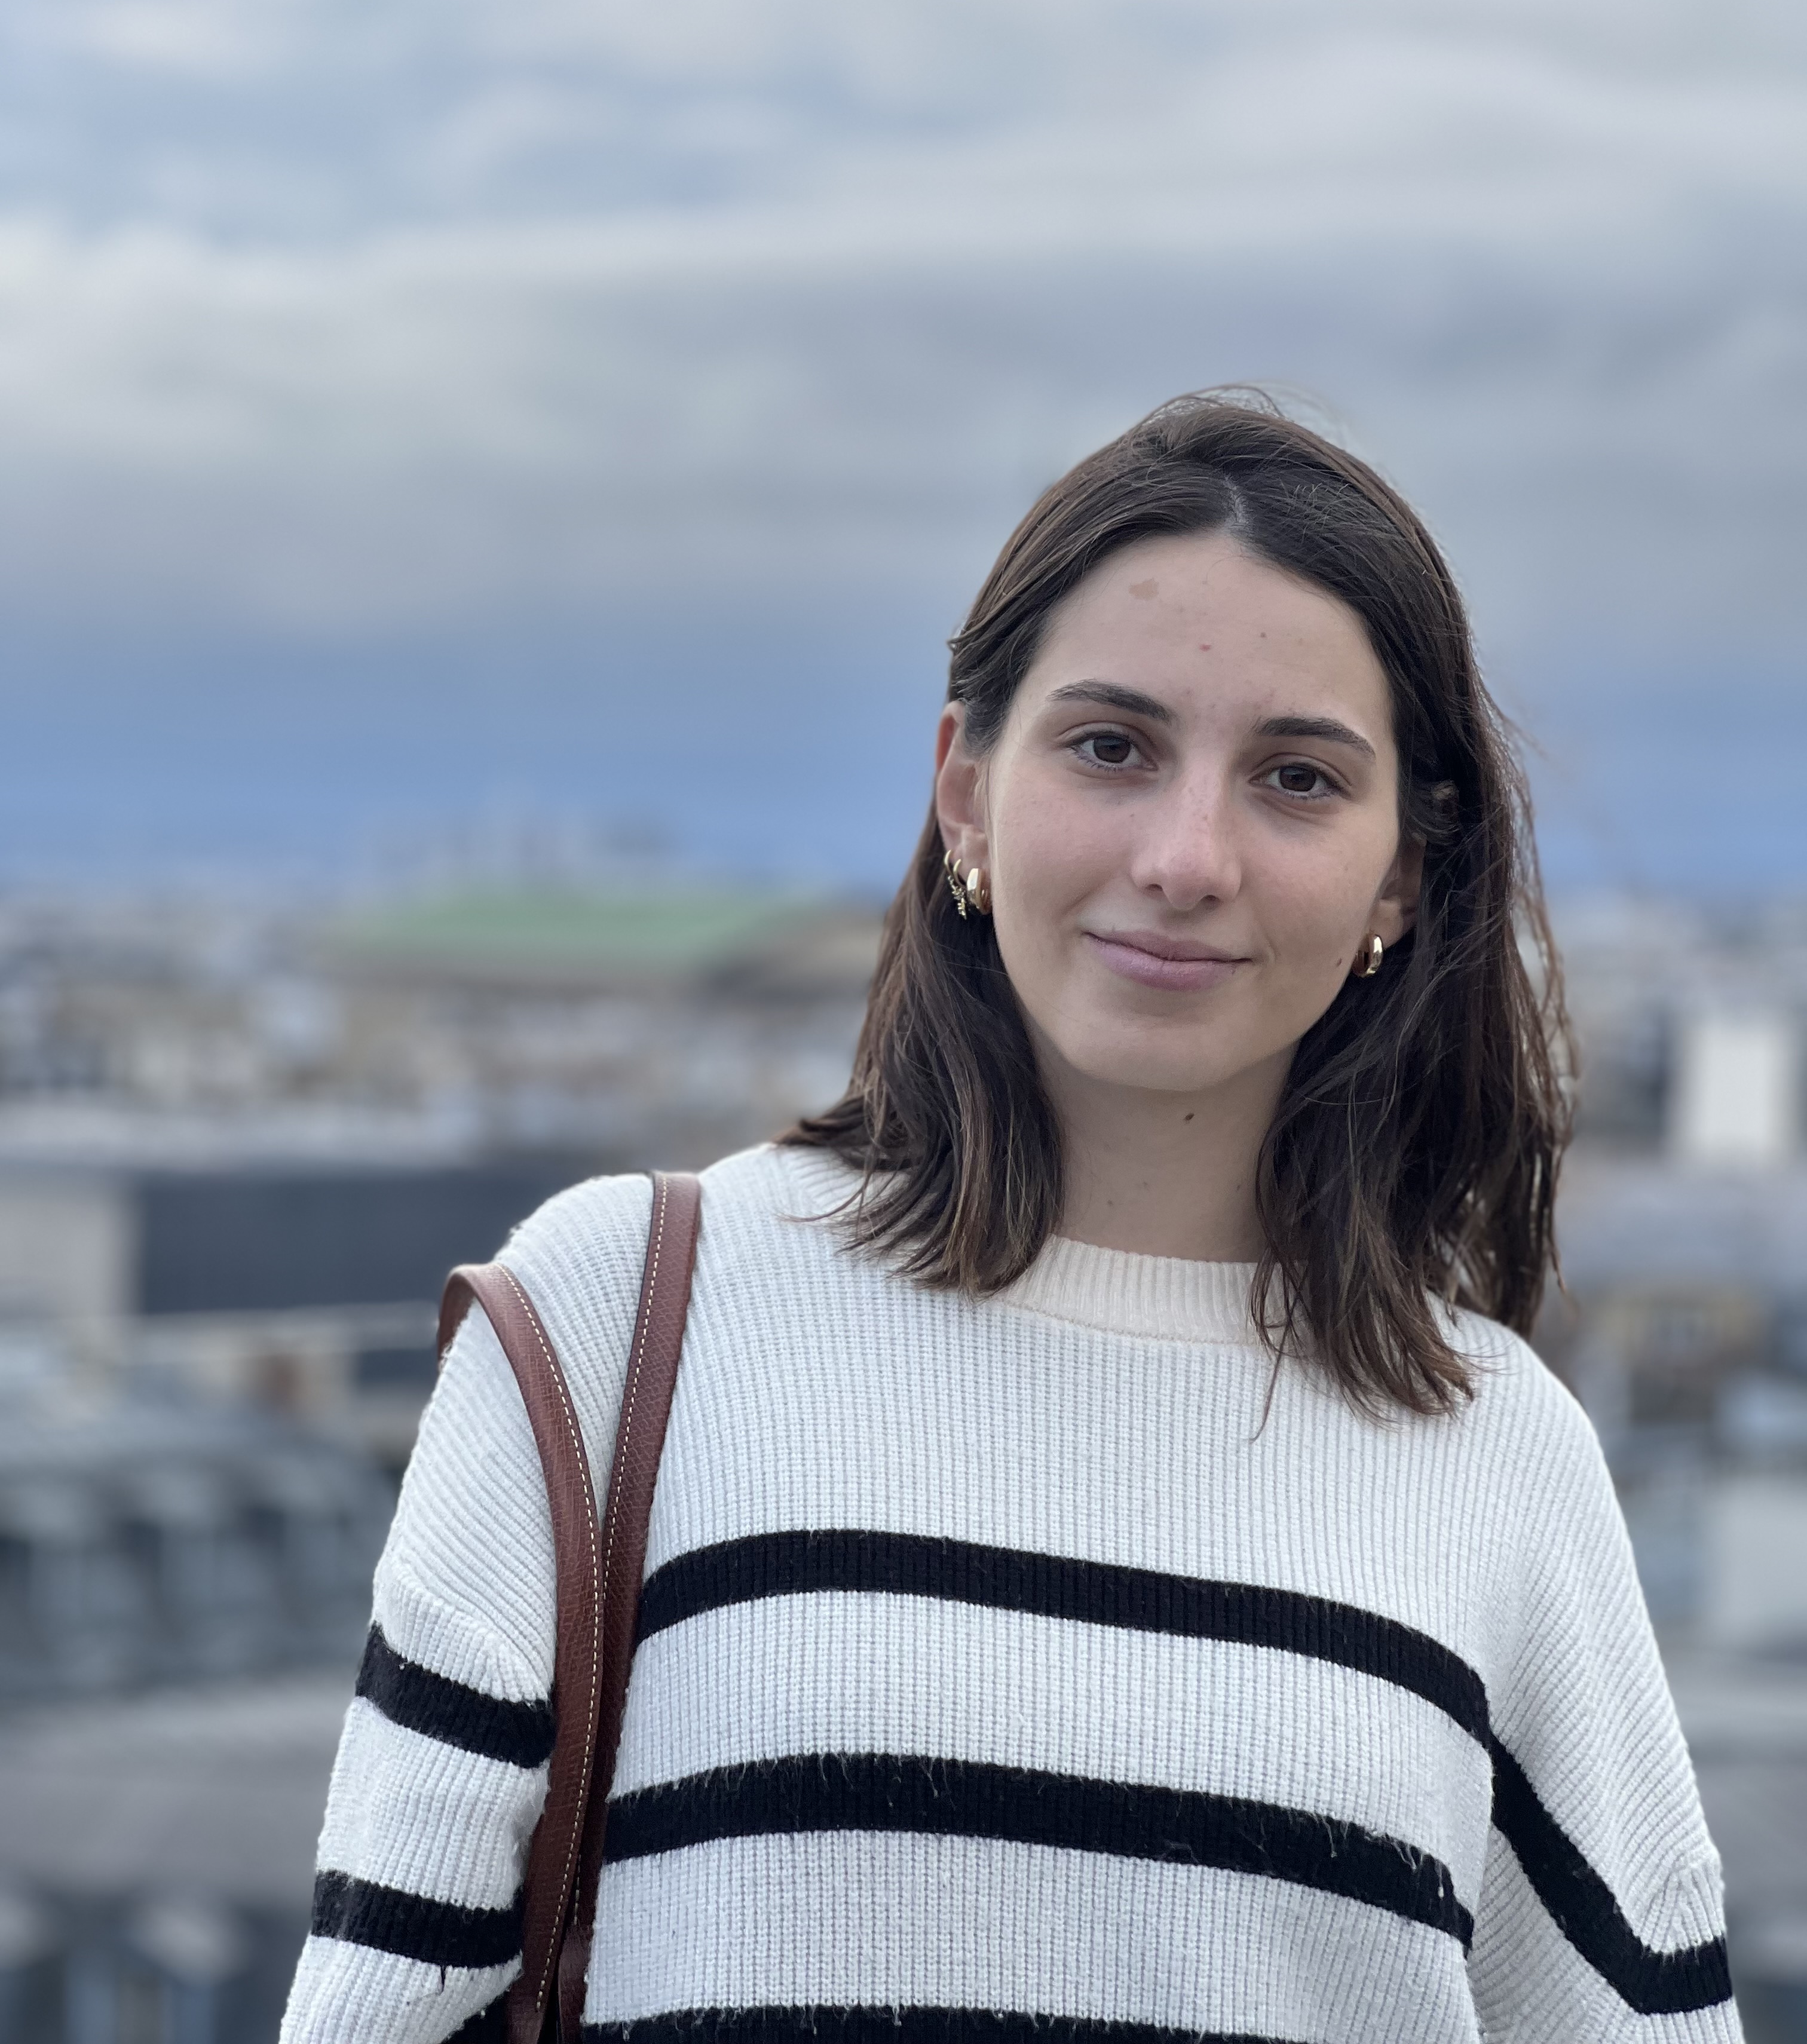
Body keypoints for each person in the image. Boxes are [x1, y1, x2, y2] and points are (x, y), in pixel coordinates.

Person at [283, 394, 1739, 2043]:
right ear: (964, 791)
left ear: (1401, 875)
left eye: (1297, 778)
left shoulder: (1501, 1462)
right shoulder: (614, 1325)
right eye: (1112, 748)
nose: (1188, 857)